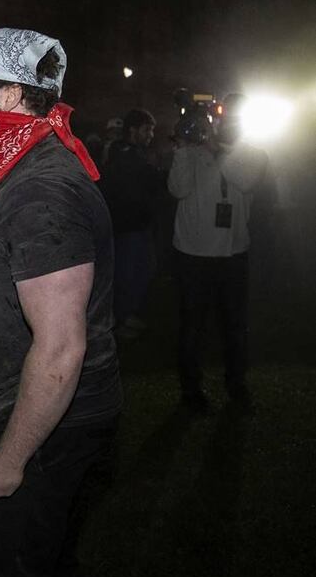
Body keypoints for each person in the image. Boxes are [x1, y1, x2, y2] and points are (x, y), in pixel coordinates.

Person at [0, 28, 122, 577]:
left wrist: (11, 457)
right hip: (45, 412)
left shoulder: (40, 192)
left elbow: (60, 349)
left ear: (14, 96)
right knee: (47, 572)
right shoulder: (21, 169)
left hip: (49, 422)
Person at [168, 96, 267, 410]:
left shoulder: (253, 153)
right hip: (193, 254)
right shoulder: (192, 152)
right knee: (192, 325)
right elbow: (178, 189)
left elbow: (245, 179)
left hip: (233, 252)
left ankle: (236, 384)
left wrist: (216, 149)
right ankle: (191, 389)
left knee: (235, 325)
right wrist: (185, 148)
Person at [99, 108, 161, 338]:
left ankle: (126, 314)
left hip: (138, 224)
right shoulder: (123, 153)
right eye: (147, 129)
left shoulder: (136, 154)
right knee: (128, 273)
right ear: (133, 131)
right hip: (126, 226)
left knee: (141, 270)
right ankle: (119, 320)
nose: (151, 135)